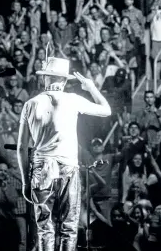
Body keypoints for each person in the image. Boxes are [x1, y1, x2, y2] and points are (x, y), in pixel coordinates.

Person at [17, 56, 111, 251]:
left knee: (45, 227)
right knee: (69, 226)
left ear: (45, 79)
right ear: (64, 80)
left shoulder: (30, 103)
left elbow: (21, 147)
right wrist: (91, 87)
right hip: (67, 165)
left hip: (41, 167)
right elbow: (106, 110)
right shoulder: (73, 99)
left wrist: (26, 181)